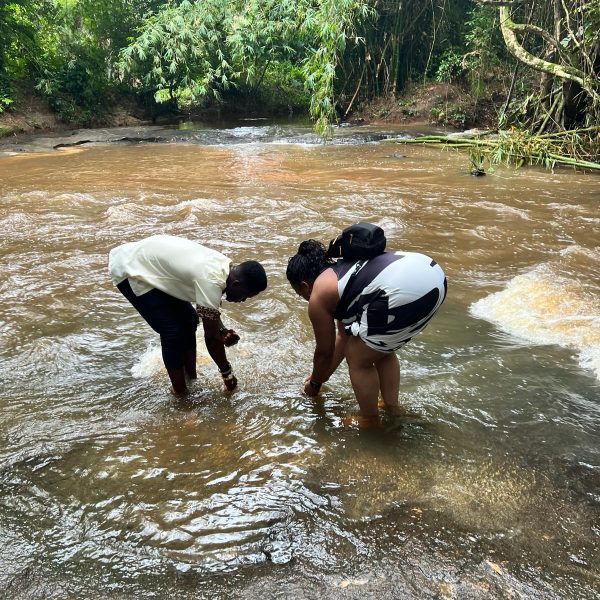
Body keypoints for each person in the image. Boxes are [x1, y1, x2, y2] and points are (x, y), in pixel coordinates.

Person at [286, 238, 446, 425]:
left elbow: (324, 352)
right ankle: (391, 407)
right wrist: (319, 377)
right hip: (433, 275)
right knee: (378, 349)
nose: (305, 298)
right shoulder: (342, 273)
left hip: (404, 288)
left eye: (301, 295)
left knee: (358, 355)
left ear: (305, 285)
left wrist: (313, 386)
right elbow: (343, 336)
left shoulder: (319, 294)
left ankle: (369, 419)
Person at [108, 234, 267, 395]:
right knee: (172, 331)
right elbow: (211, 338)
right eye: (245, 295)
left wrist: (223, 330)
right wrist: (227, 374)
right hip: (131, 268)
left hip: (152, 263)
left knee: (190, 320)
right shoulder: (212, 281)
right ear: (236, 284)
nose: (243, 300)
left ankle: (191, 380)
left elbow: (209, 311)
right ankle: (181, 395)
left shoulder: (223, 267)